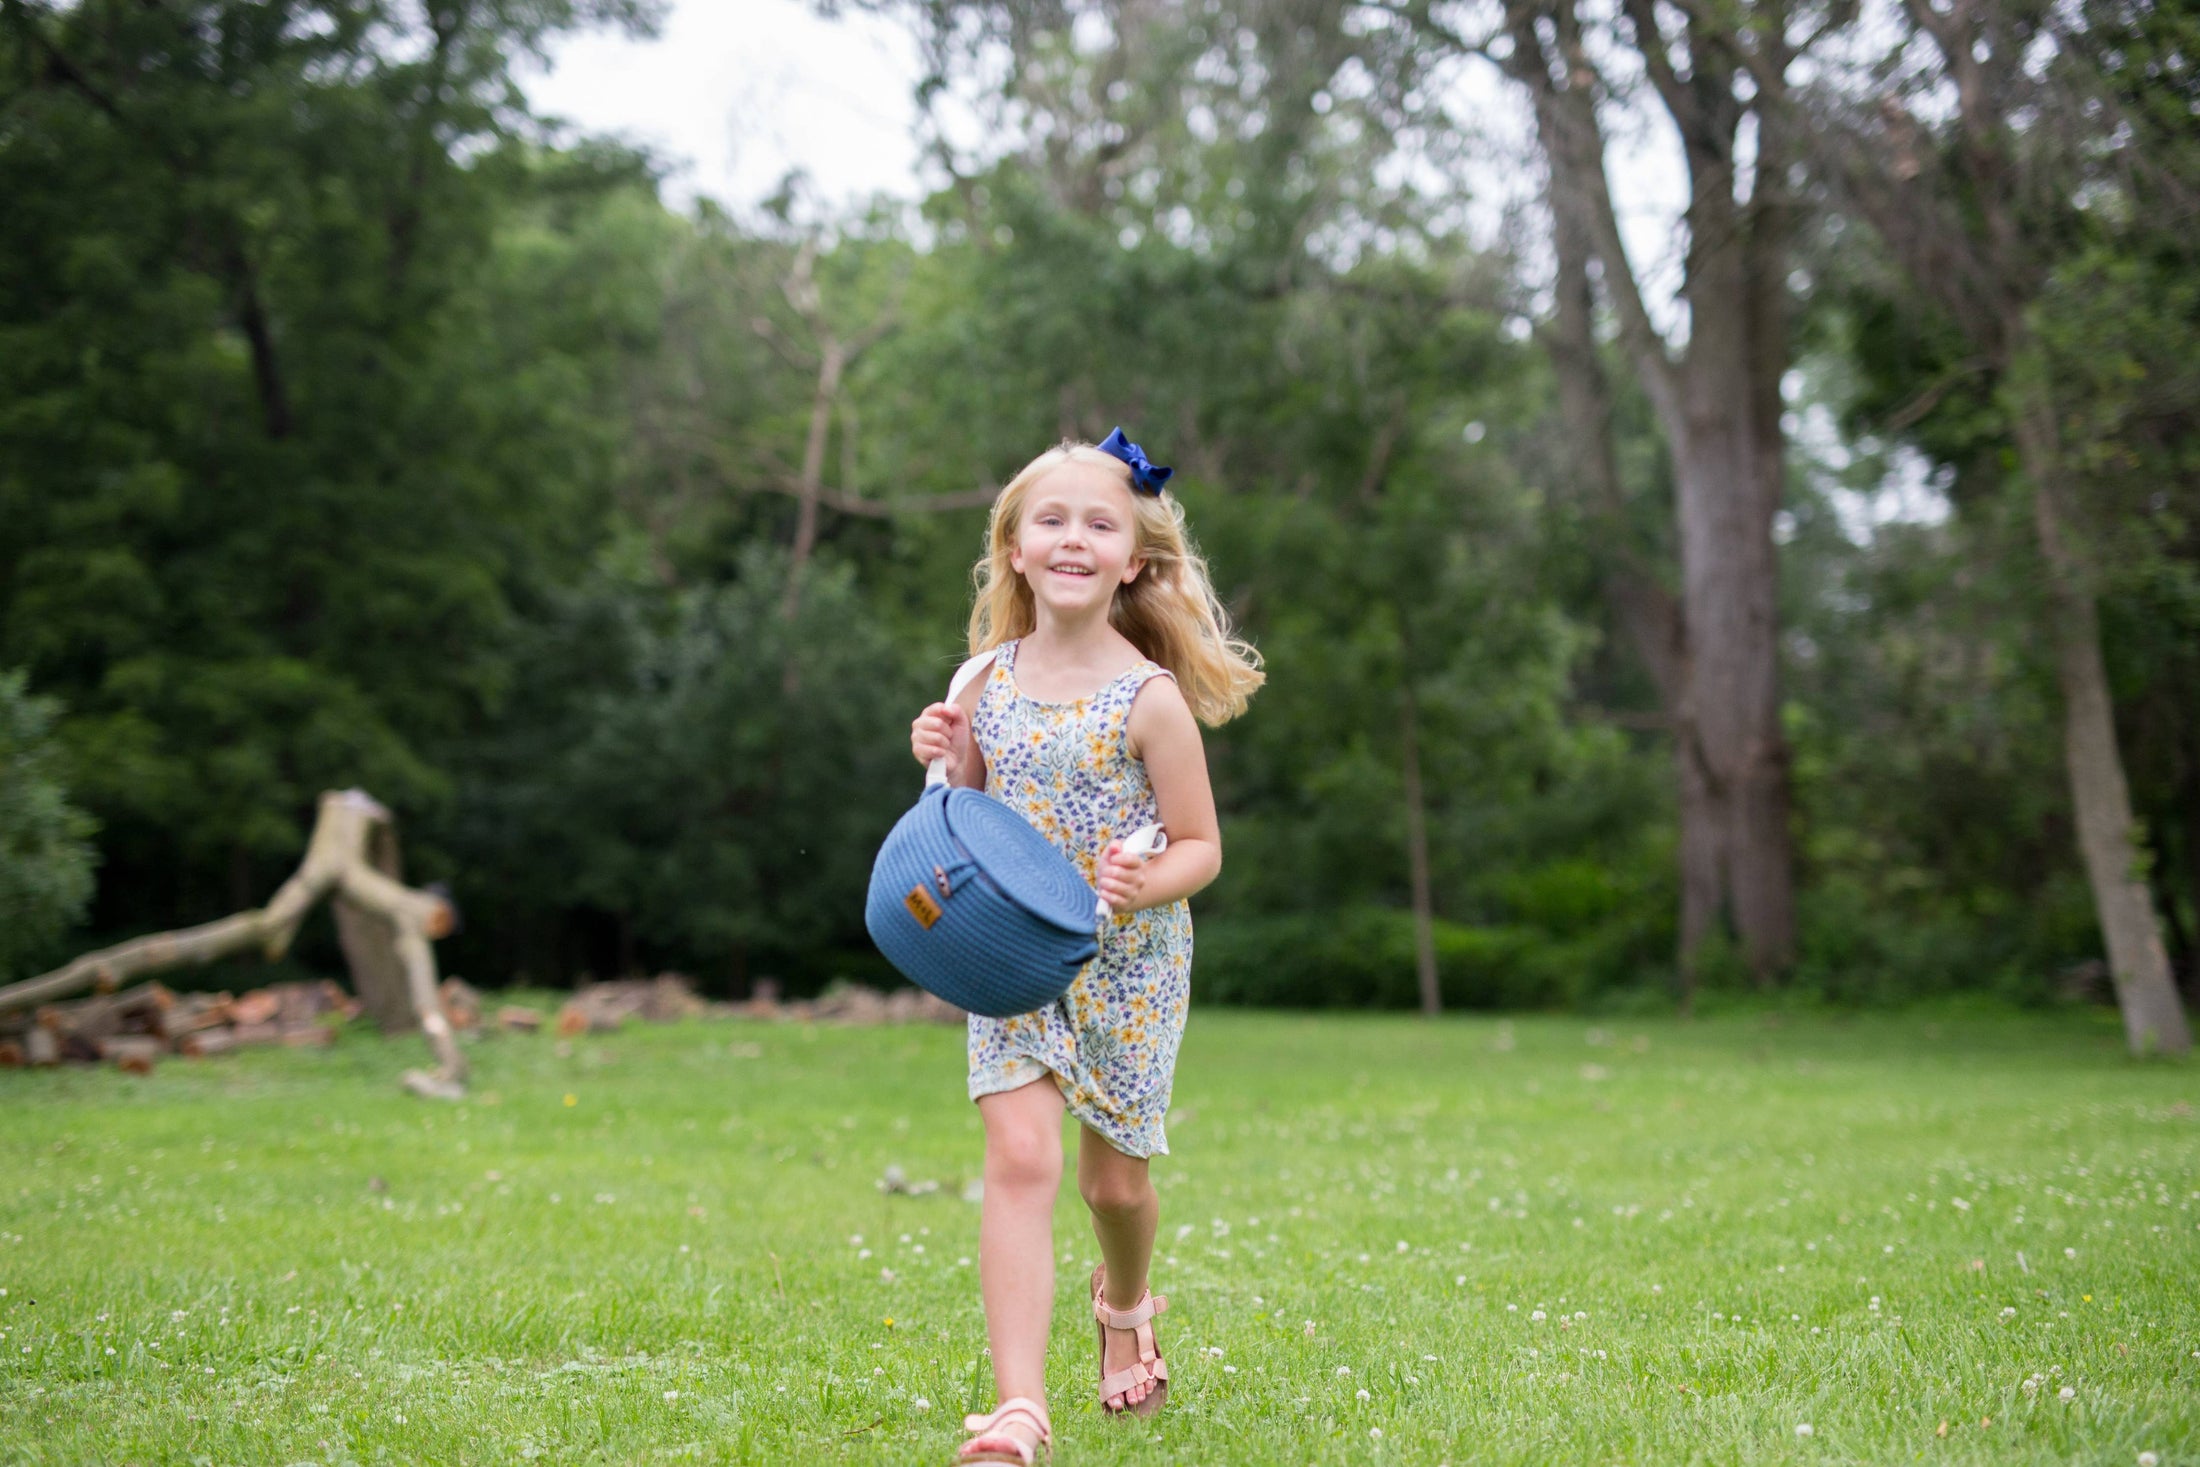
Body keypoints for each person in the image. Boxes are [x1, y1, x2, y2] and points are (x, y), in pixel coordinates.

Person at [908, 429, 1264, 1465]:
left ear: (1134, 560)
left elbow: (1200, 847)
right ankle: (1019, 1411)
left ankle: (1124, 1304)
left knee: (1112, 1186)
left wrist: (1146, 879)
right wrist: (950, 756)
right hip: (1011, 952)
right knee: (1020, 1157)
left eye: (1098, 523)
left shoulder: (1151, 699)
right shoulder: (980, 676)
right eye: (1050, 520)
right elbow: (961, 817)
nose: (1073, 537)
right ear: (1012, 547)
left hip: (1131, 967)